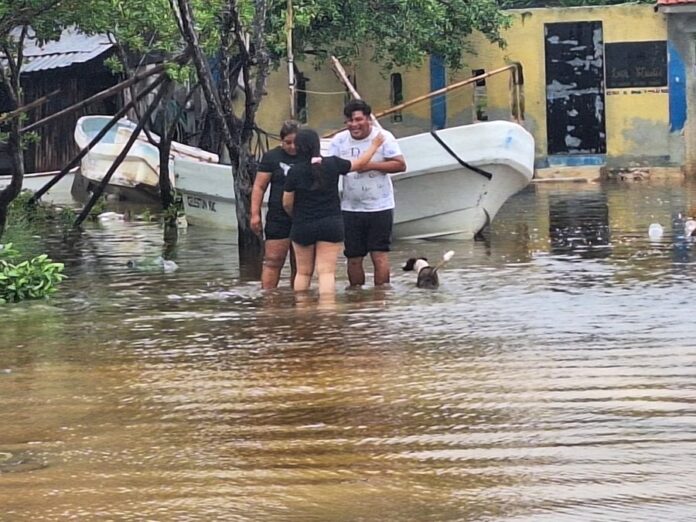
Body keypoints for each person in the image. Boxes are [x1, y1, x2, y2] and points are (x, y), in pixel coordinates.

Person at [282, 129, 385, 295]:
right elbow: (359, 164)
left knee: (303, 272)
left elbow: (287, 203)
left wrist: (297, 217)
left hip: (303, 225)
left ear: (298, 147)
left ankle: (301, 312)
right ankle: (327, 312)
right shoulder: (333, 164)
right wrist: (374, 146)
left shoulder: (294, 171)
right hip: (331, 224)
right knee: (326, 272)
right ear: (317, 145)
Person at [328, 99, 407, 287]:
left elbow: (400, 164)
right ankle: (356, 298)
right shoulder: (339, 140)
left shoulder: (383, 137)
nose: (354, 125)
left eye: (358, 120)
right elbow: (328, 168)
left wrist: (371, 165)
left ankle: (381, 299)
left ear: (368, 120)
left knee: (379, 255)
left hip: (380, 205)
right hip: (350, 207)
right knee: (353, 257)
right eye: (349, 121)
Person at [250, 120, 301, 289]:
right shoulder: (272, 157)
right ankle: (269, 301)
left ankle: (298, 303)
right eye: (288, 143)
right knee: (273, 261)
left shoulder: (309, 156)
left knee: (301, 265)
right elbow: (259, 186)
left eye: (296, 143)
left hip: (304, 216)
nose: (293, 147)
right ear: (281, 141)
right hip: (278, 216)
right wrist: (255, 214)